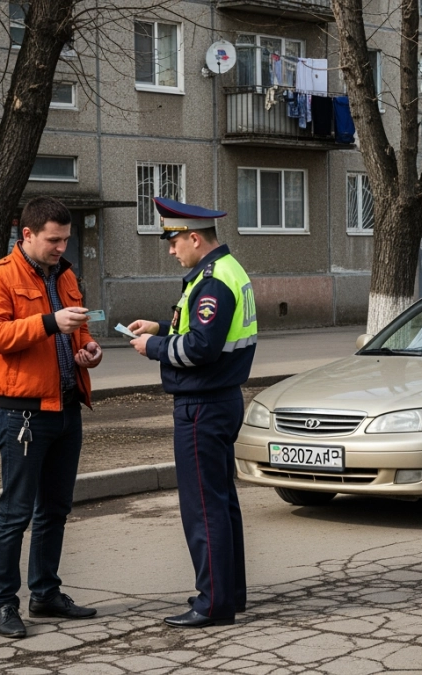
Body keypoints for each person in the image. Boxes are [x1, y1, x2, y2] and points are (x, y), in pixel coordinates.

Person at [0, 196, 103, 639]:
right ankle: (4, 605)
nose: (61, 247)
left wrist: (89, 351)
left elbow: (79, 330)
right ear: (26, 234)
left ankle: (46, 593)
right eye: (54, 239)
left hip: (67, 408)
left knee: (55, 510)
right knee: (15, 514)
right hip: (24, 415)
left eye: (65, 239)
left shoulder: (66, 273)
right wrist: (50, 323)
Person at [127, 197, 257, 628]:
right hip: (219, 400)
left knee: (203, 507)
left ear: (194, 238)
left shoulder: (213, 281)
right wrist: (160, 327)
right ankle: (229, 592)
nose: (171, 249)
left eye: (173, 241)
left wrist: (154, 348)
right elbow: (201, 331)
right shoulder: (223, 271)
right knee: (220, 502)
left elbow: (200, 348)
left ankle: (213, 603)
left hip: (202, 404)